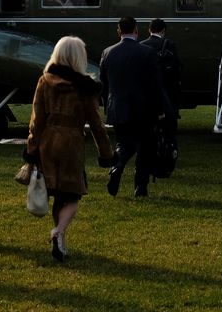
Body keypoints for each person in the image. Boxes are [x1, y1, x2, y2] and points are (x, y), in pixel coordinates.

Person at [26, 36, 116, 262]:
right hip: (71, 144)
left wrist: (31, 147)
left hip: (48, 142)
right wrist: (106, 153)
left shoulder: (45, 80)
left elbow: (36, 119)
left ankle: (61, 239)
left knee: (56, 192)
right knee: (73, 195)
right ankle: (59, 232)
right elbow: (96, 123)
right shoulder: (86, 86)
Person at [99, 16, 166, 198]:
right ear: (136, 30)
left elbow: (104, 84)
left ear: (119, 31)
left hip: (118, 107)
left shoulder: (107, 53)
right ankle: (140, 187)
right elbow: (155, 84)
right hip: (143, 109)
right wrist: (160, 109)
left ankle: (117, 166)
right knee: (145, 147)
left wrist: (108, 106)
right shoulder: (147, 52)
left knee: (124, 143)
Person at [140, 18, 182, 134]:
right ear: (163, 30)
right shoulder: (169, 44)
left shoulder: (141, 45)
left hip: (148, 87)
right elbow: (177, 66)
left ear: (149, 30)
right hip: (167, 85)